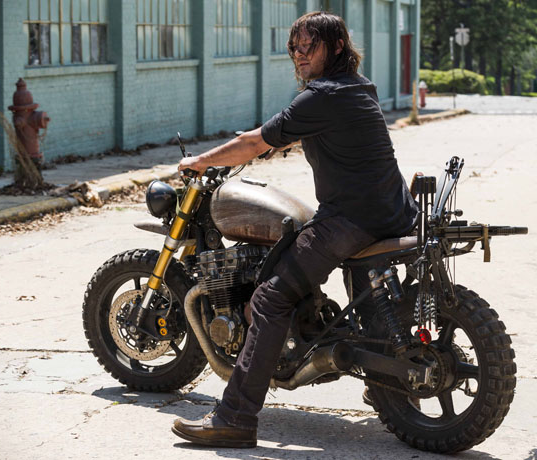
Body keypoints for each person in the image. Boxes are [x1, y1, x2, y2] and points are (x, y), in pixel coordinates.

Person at [172, 11, 418, 448]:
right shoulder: (358, 88)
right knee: (364, 292)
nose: (301, 55)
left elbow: (254, 142)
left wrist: (202, 161)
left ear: (337, 47)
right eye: (294, 48)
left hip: (352, 218)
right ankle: (390, 386)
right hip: (393, 210)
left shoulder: (321, 96)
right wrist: (281, 140)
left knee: (270, 298)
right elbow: (324, 136)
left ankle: (235, 418)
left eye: (310, 46)